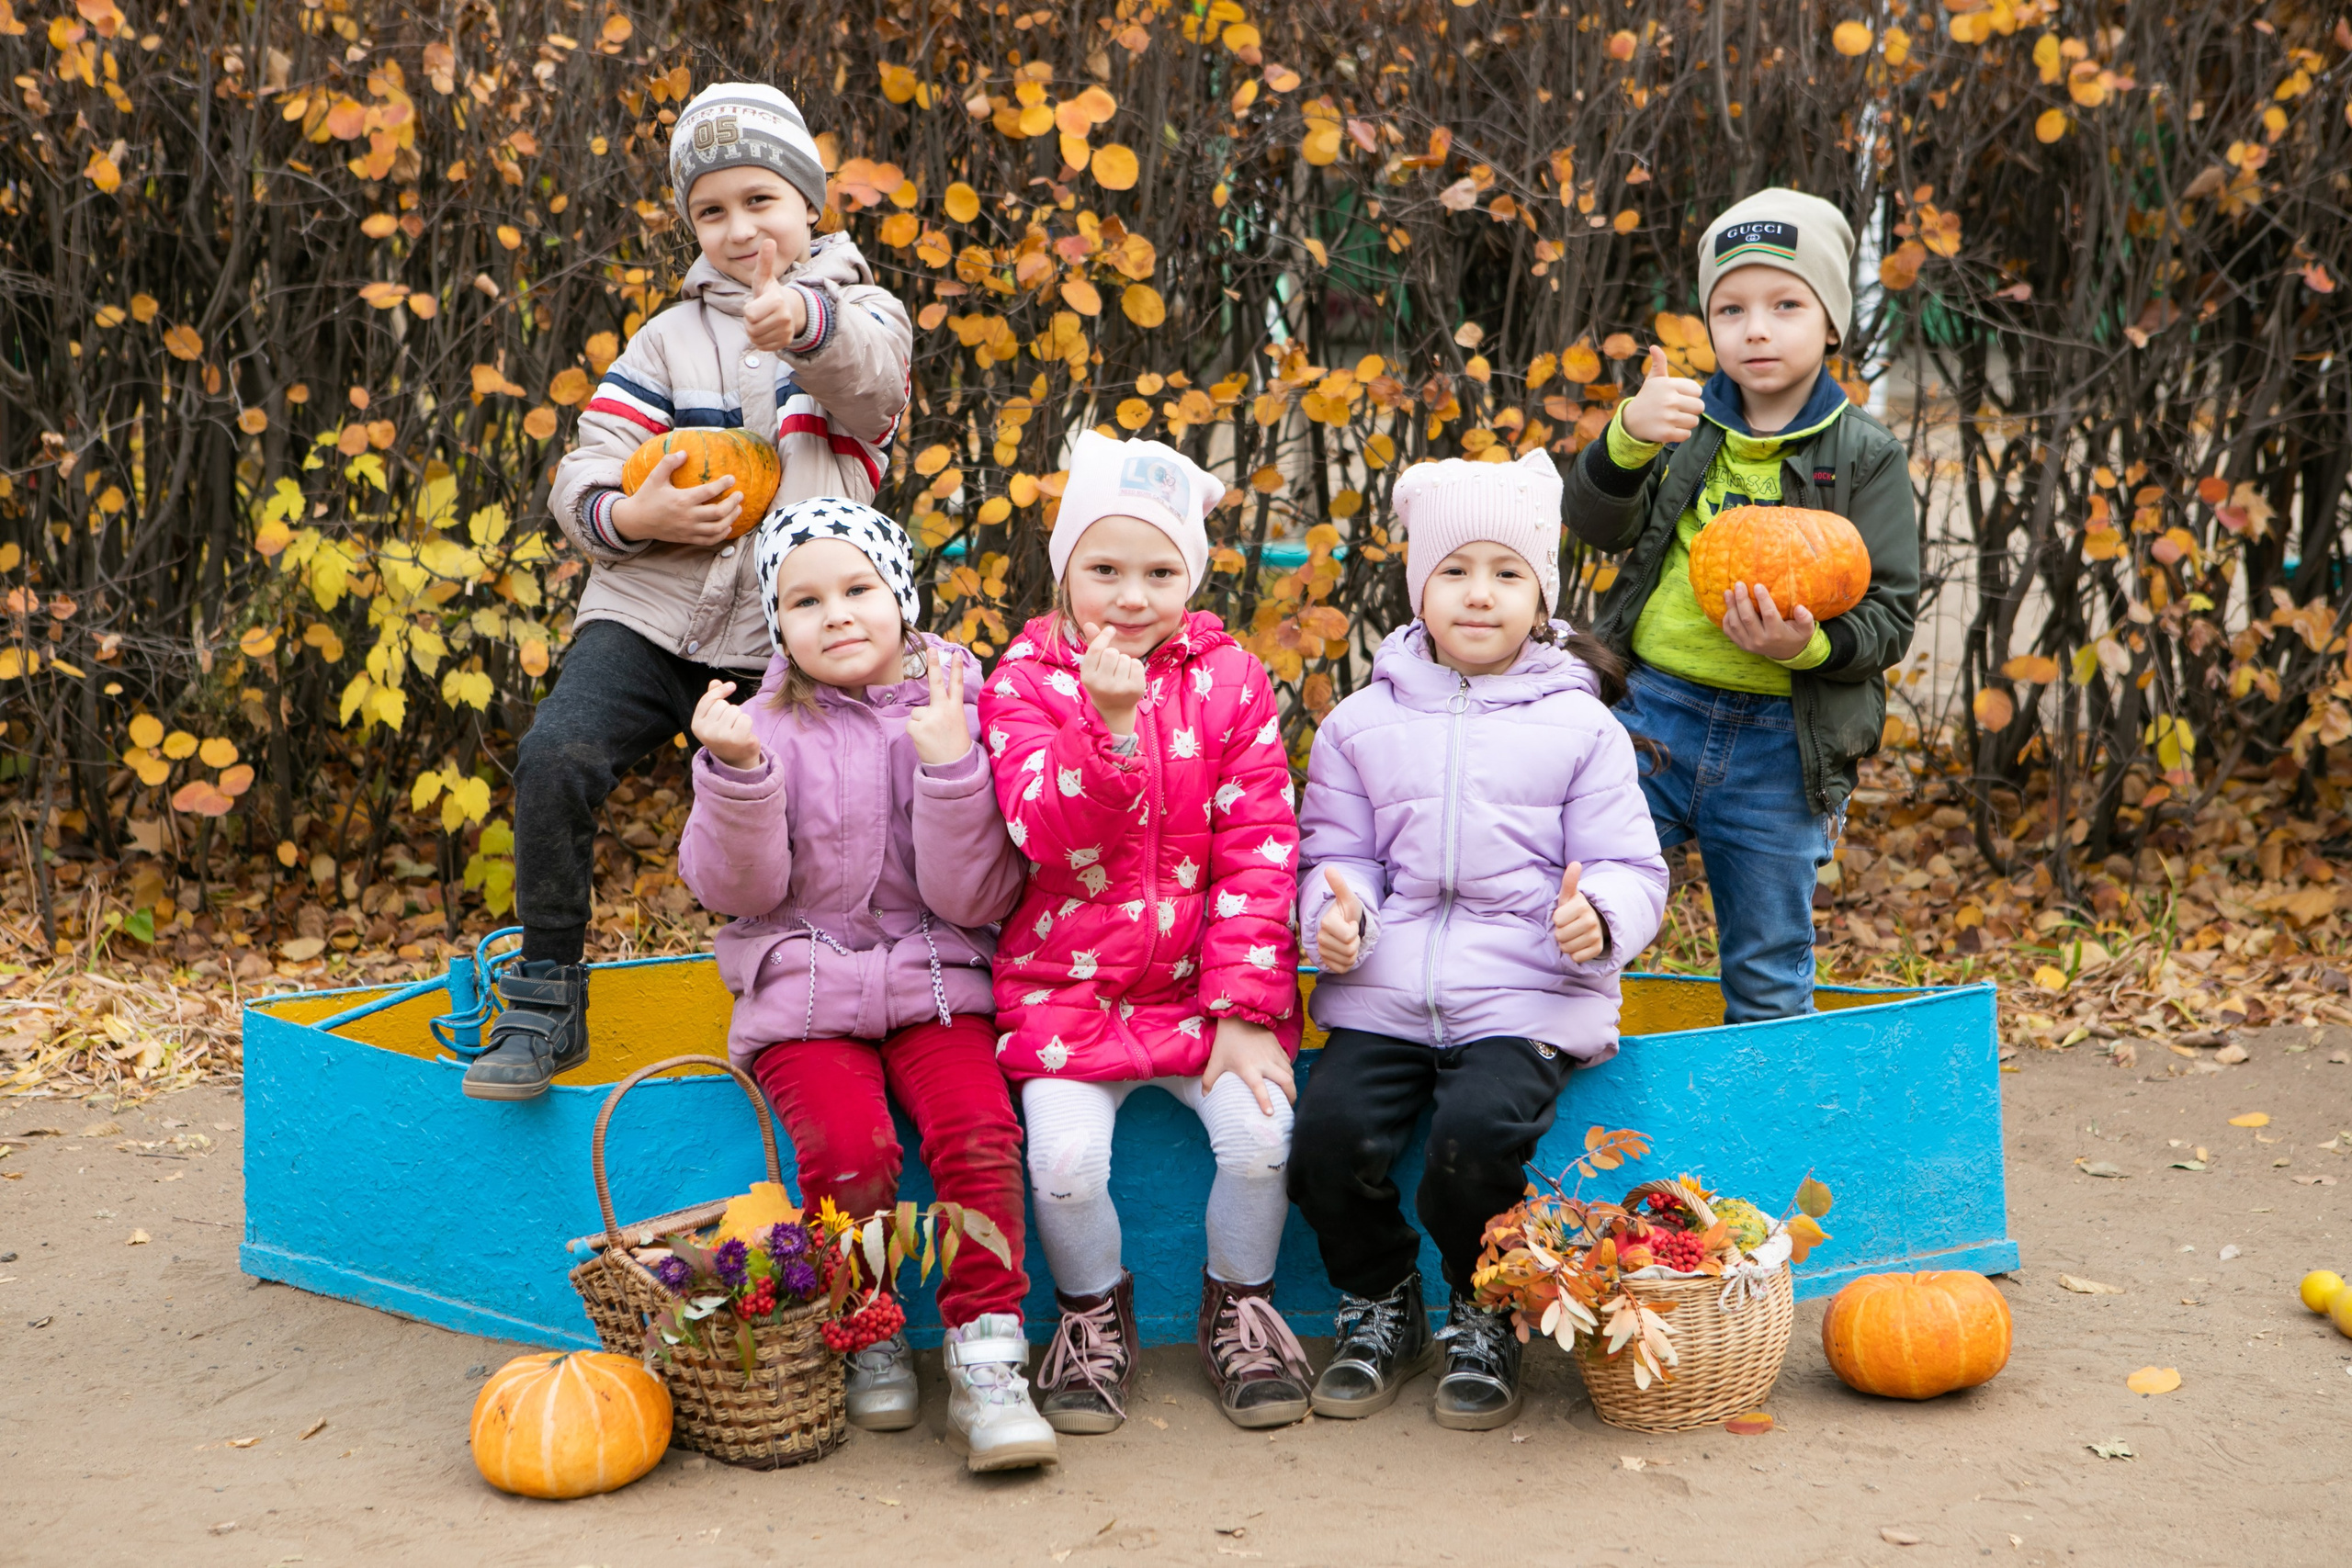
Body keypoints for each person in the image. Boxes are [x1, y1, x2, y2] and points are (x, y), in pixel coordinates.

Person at [467, 83, 912, 1100]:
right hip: (651, 612)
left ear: (809, 206)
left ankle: (826, 998)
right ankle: (545, 989)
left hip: (785, 634)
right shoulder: (666, 341)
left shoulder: (862, 316)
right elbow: (586, 467)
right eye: (711, 211)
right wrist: (635, 519)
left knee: (808, 821)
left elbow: (871, 384)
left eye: (760, 200)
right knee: (557, 755)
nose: (738, 227)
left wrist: (801, 320)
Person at [1287, 449, 1668, 1431]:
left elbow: (1628, 865)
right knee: (1325, 1139)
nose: (1478, 595)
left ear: (1541, 593)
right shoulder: (1360, 724)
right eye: (1453, 571)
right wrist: (1334, 920)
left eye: (1506, 573)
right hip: (1384, 987)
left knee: (1472, 1147)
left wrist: (1604, 920)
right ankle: (1381, 1299)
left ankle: (1481, 1304)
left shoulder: (1581, 729)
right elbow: (1336, 855)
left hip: (1528, 991)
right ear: (1419, 588)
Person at [673, 497, 1055, 1472]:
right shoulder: (758, 726)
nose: (836, 614)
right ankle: (869, 1323)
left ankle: (986, 1361)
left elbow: (975, 893)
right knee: (850, 1153)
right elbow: (734, 891)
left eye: (858, 589)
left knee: (978, 1135)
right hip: (802, 994)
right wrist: (738, 774)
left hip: (937, 979)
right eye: (805, 601)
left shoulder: (962, 708)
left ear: (901, 596)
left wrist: (950, 769)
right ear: (779, 625)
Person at [977, 431, 1311, 1435]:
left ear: (1192, 577)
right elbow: (1042, 827)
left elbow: (1260, 843)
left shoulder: (1231, 680)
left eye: (1161, 571)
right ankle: (1092, 1315)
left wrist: (1249, 1010)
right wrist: (1108, 729)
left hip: (1199, 998)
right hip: (1064, 994)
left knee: (1260, 1138)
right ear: (1064, 572)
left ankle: (1239, 1304)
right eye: (1104, 569)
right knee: (1065, 1165)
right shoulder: (1026, 681)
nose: (1132, 594)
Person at [1563, 187, 1919, 1023]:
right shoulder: (1680, 423)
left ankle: (1762, 1138)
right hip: (1652, 716)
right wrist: (1626, 436)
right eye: (1732, 308)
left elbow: (1891, 615)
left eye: (1786, 304)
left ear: (1830, 322)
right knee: (1577, 912)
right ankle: (1551, 1086)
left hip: (1779, 745)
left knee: (1765, 962)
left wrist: (1808, 647)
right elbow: (1592, 523)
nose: (1756, 328)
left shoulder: (1865, 455)